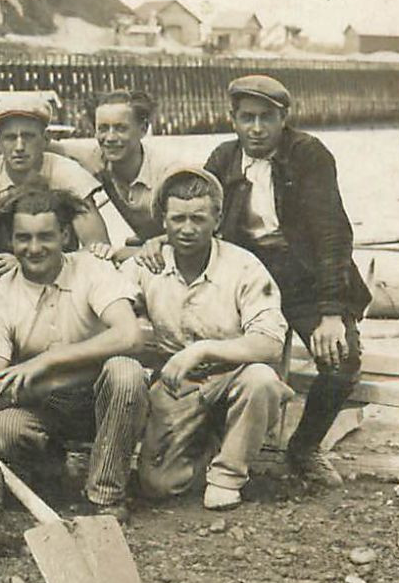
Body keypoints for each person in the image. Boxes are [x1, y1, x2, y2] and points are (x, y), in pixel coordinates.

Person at [167, 74, 370, 486]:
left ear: (284, 119)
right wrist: (159, 243)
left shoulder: (309, 155)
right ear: (233, 119)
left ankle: (304, 447)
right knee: (213, 347)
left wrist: (331, 313)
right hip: (247, 274)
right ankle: (216, 441)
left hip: (305, 276)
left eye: (266, 118)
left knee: (341, 358)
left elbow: (333, 234)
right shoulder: (224, 158)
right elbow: (195, 213)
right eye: (246, 118)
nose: (256, 129)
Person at [0, 188, 145, 521]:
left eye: (45, 237)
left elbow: (129, 336)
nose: (34, 249)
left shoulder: (92, 269)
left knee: (126, 372)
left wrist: (47, 361)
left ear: (65, 235)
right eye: (23, 238)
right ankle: (54, 477)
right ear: (10, 240)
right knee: (0, 429)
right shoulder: (0, 295)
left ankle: (105, 496)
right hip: (44, 407)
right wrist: (63, 377)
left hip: (101, 400)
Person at [123, 167, 290, 511]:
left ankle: (228, 475)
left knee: (262, 381)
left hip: (233, 375)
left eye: (198, 218)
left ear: (217, 218)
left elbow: (270, 343)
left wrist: (202, 350)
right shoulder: (148, 266)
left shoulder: (243, 266)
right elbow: (110, 306)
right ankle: (213, 444)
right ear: (164, 222)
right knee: (157, 486)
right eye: (178, 218)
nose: (187, 229)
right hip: (178, 384)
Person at [0, 96, 110, 270]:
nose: (19, 146)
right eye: (10, 138)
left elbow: (98, 250)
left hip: (58, 275)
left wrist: (24, 264)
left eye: (28, 137)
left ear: (45, 139)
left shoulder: (68, 174)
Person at [52, 89, 182, 250]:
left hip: (178, 250)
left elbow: (193, 232)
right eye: (103, 128)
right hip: (144, 247)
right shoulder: (96, 157)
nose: (110, 138)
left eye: (121, 128)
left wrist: (129, 253)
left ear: (143, 129)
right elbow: (49, 146)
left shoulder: (168, 172)